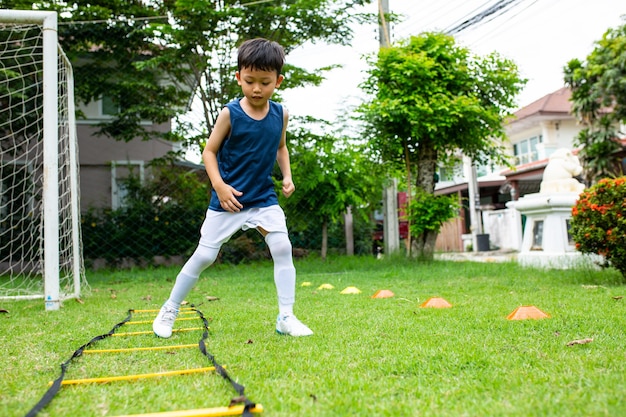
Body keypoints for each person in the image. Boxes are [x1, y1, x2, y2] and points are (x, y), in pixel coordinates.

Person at [153, 38, 313, 338]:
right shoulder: (230, 114)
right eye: (250, 81)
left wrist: (287, 176)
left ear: (277, 81)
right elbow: (209, 152)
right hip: (230, 199)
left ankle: (286, 317)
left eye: (264, 82)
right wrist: (220, 187)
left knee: (282, 248)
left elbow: (281, 147)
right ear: (238, 77)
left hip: (264, 197)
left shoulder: (281, 114)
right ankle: (170, 309)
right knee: (204, 257)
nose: (256, 89)